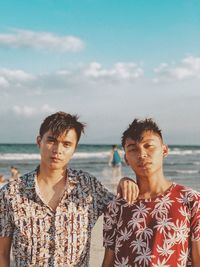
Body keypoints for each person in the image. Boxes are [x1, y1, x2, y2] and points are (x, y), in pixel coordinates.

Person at [0, 111, 138, 267]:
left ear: (74, 148)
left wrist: (126, 181)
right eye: (51, 140)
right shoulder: (11, 193)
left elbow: (122, 210)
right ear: (39, 141)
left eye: (66, 144)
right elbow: (2, 254)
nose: (58, 150)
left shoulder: (88, 186)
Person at [102, 118, 200, 267]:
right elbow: (108, 260)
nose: (142, 154)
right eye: (133, 149)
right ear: (126, 159)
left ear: (164, 150)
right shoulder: (116, 206)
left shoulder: (190, 200)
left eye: (149, 146)